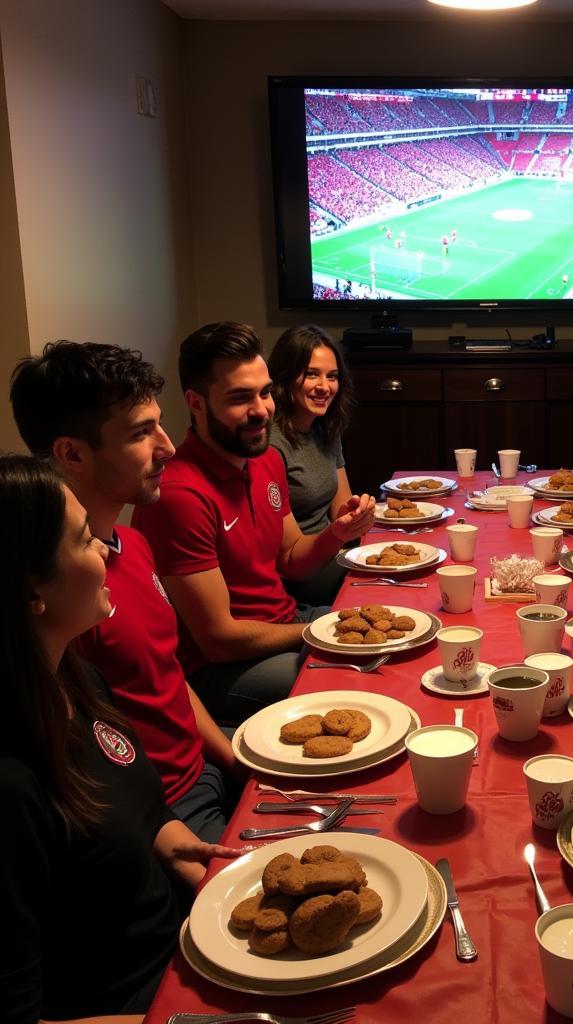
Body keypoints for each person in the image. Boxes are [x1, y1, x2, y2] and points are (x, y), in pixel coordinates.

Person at [0, 455, 239, 1024]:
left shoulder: (76, 681)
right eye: (85, 541)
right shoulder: (10, 784)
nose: (109, 551)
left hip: (184, 945)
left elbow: (144, 814)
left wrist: (198, 864)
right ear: (33, 593)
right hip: (138, 1003)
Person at [10, 342, 242, 842]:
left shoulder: (133, 543)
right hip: (160, 810)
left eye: (160, 424)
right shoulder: (65, 595)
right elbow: (79, 778)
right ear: (72, 453)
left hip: (206, 768)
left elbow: (169, 673)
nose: (169, 447)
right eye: (141, 433)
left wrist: (233, 758)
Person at [133, 322, 376, 726]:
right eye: (240, 398)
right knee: (360, 679)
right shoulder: (179, 496)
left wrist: (338, 532)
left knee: (393, 635)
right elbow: (219, 641)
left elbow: (291, 558)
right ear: (195, 402)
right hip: (222, 670)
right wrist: (319, 629)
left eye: (264, 393)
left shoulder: (265, 460)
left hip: (286, 621)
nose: (262, 410)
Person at [268, 325, 356, 607]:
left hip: (335, 550)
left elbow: (343, 509)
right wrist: (343, 535)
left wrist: (360, 515)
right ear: (285, 376)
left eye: (332, 376)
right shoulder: (271, 444)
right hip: (302, 572)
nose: (324, 387)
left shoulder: (326, 427)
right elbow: (289, 561)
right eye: (311, 374)